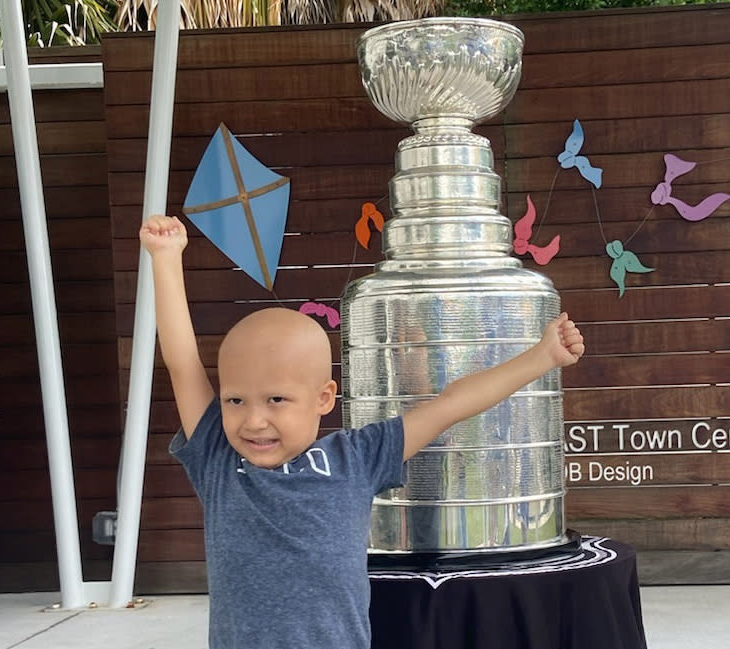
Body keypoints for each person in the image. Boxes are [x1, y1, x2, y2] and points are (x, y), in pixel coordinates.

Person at [139, 214, 585, 649]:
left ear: (324, 398)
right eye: (235, 400)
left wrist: (542, 357)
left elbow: (450, 405)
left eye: (276, 400)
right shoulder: (219, 461)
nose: (253, 420)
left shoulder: (356, 458)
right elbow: (183, 364)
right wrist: (165, 258)